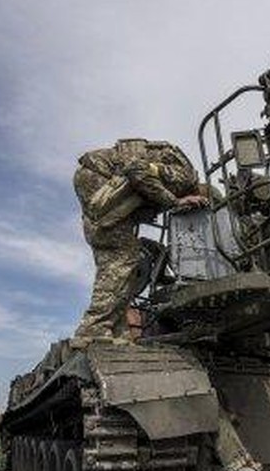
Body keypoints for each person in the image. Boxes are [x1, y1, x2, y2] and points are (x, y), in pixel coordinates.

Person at [71, 138, 209, 347]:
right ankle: (93, 328)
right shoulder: (184, 177)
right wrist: (174, 201)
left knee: (124, 259)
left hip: (99, 182)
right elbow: (137, 169)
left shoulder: (175, 171)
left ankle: (117, 330)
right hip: (98, 178)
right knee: (122, 257)